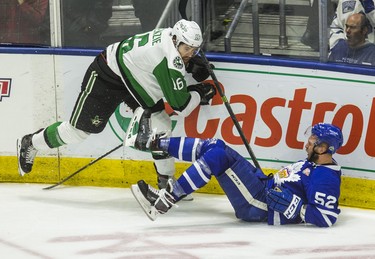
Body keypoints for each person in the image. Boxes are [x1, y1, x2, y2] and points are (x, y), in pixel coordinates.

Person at [16, 19, 216, 192]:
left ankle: (166, 182)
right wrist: (200, 92)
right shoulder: (169, 60)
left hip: (134, 78)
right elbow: (183, 107)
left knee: (161, 123)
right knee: (78, 132)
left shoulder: (169, 36)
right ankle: (31, 142)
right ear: (175, 40)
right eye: (186, 48)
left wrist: (189, 62)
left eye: (193, 49)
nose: (189, 53)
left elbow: (169, 63)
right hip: (108, 75)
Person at [131, 119, 344, 227]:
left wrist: (297, 208)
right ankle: (157, 143)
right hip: (262, 188)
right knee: (215, 146)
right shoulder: (313, 163)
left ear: (324, 148)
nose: (308, 142)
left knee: (217, 157)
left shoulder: (325, 177)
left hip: (259, 206)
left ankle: (163, 201)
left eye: (314, 140)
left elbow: (327, 217)